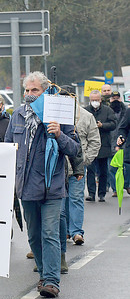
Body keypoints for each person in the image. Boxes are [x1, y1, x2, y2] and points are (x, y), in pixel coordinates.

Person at [4, 71, 79, 298]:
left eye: (34, 90)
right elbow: (7, 147)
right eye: (26, 90)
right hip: (26, 187)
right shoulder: (17, 115)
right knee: (34, 236)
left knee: (49, 233)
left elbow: (75, 149)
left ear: (45, 90)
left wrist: (59, 135)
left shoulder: (59, 114)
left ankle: (51, 281)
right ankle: (44, 273)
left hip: (52, 187)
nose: (29, 94)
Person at [58, 85, 100, 270]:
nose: (65, 99)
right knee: (61, 202)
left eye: (68, 96)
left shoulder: (85, 116)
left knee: (75, 199)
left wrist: (84, 162)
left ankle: (76, 232)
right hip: (58, 168)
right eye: (62, 97)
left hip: (77, 168)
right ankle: (65, 231)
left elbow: (94, 141)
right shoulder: (54, 115)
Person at [85, 90, 116, 202]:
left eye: (97, 100)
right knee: (90, 170)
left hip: (104, 144)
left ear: (100, 99)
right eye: (93, 100)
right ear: (90, 100)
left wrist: (102, 125)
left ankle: (102, 193)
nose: (95, 102)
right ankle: (91, 193)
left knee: (103, 171)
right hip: (89, 145)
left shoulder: (108, 110)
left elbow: (113, 124)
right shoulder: (85, 110)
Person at [108, 91, 126, 197]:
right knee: (111, 168)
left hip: (123, 144)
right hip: (110, 144)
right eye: (113, 98)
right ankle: (115, 189)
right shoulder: (107, 111)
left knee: (124, 168)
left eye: (117, 98)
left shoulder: (126, 111)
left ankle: (125, 185)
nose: (115, 100)